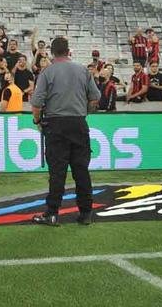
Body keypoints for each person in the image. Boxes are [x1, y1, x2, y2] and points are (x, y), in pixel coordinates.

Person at [31, 36, 100, 226]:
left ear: (52, 52)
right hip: (78, 123)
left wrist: (37, 120)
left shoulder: (47, 72)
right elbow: (95, 98)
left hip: (55, 125)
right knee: (81, 171)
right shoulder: (83, 70)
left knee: (57, 172)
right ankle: (86, 213)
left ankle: (52, 213)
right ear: (68, 50)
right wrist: (81, 112)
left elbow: (36, 103)